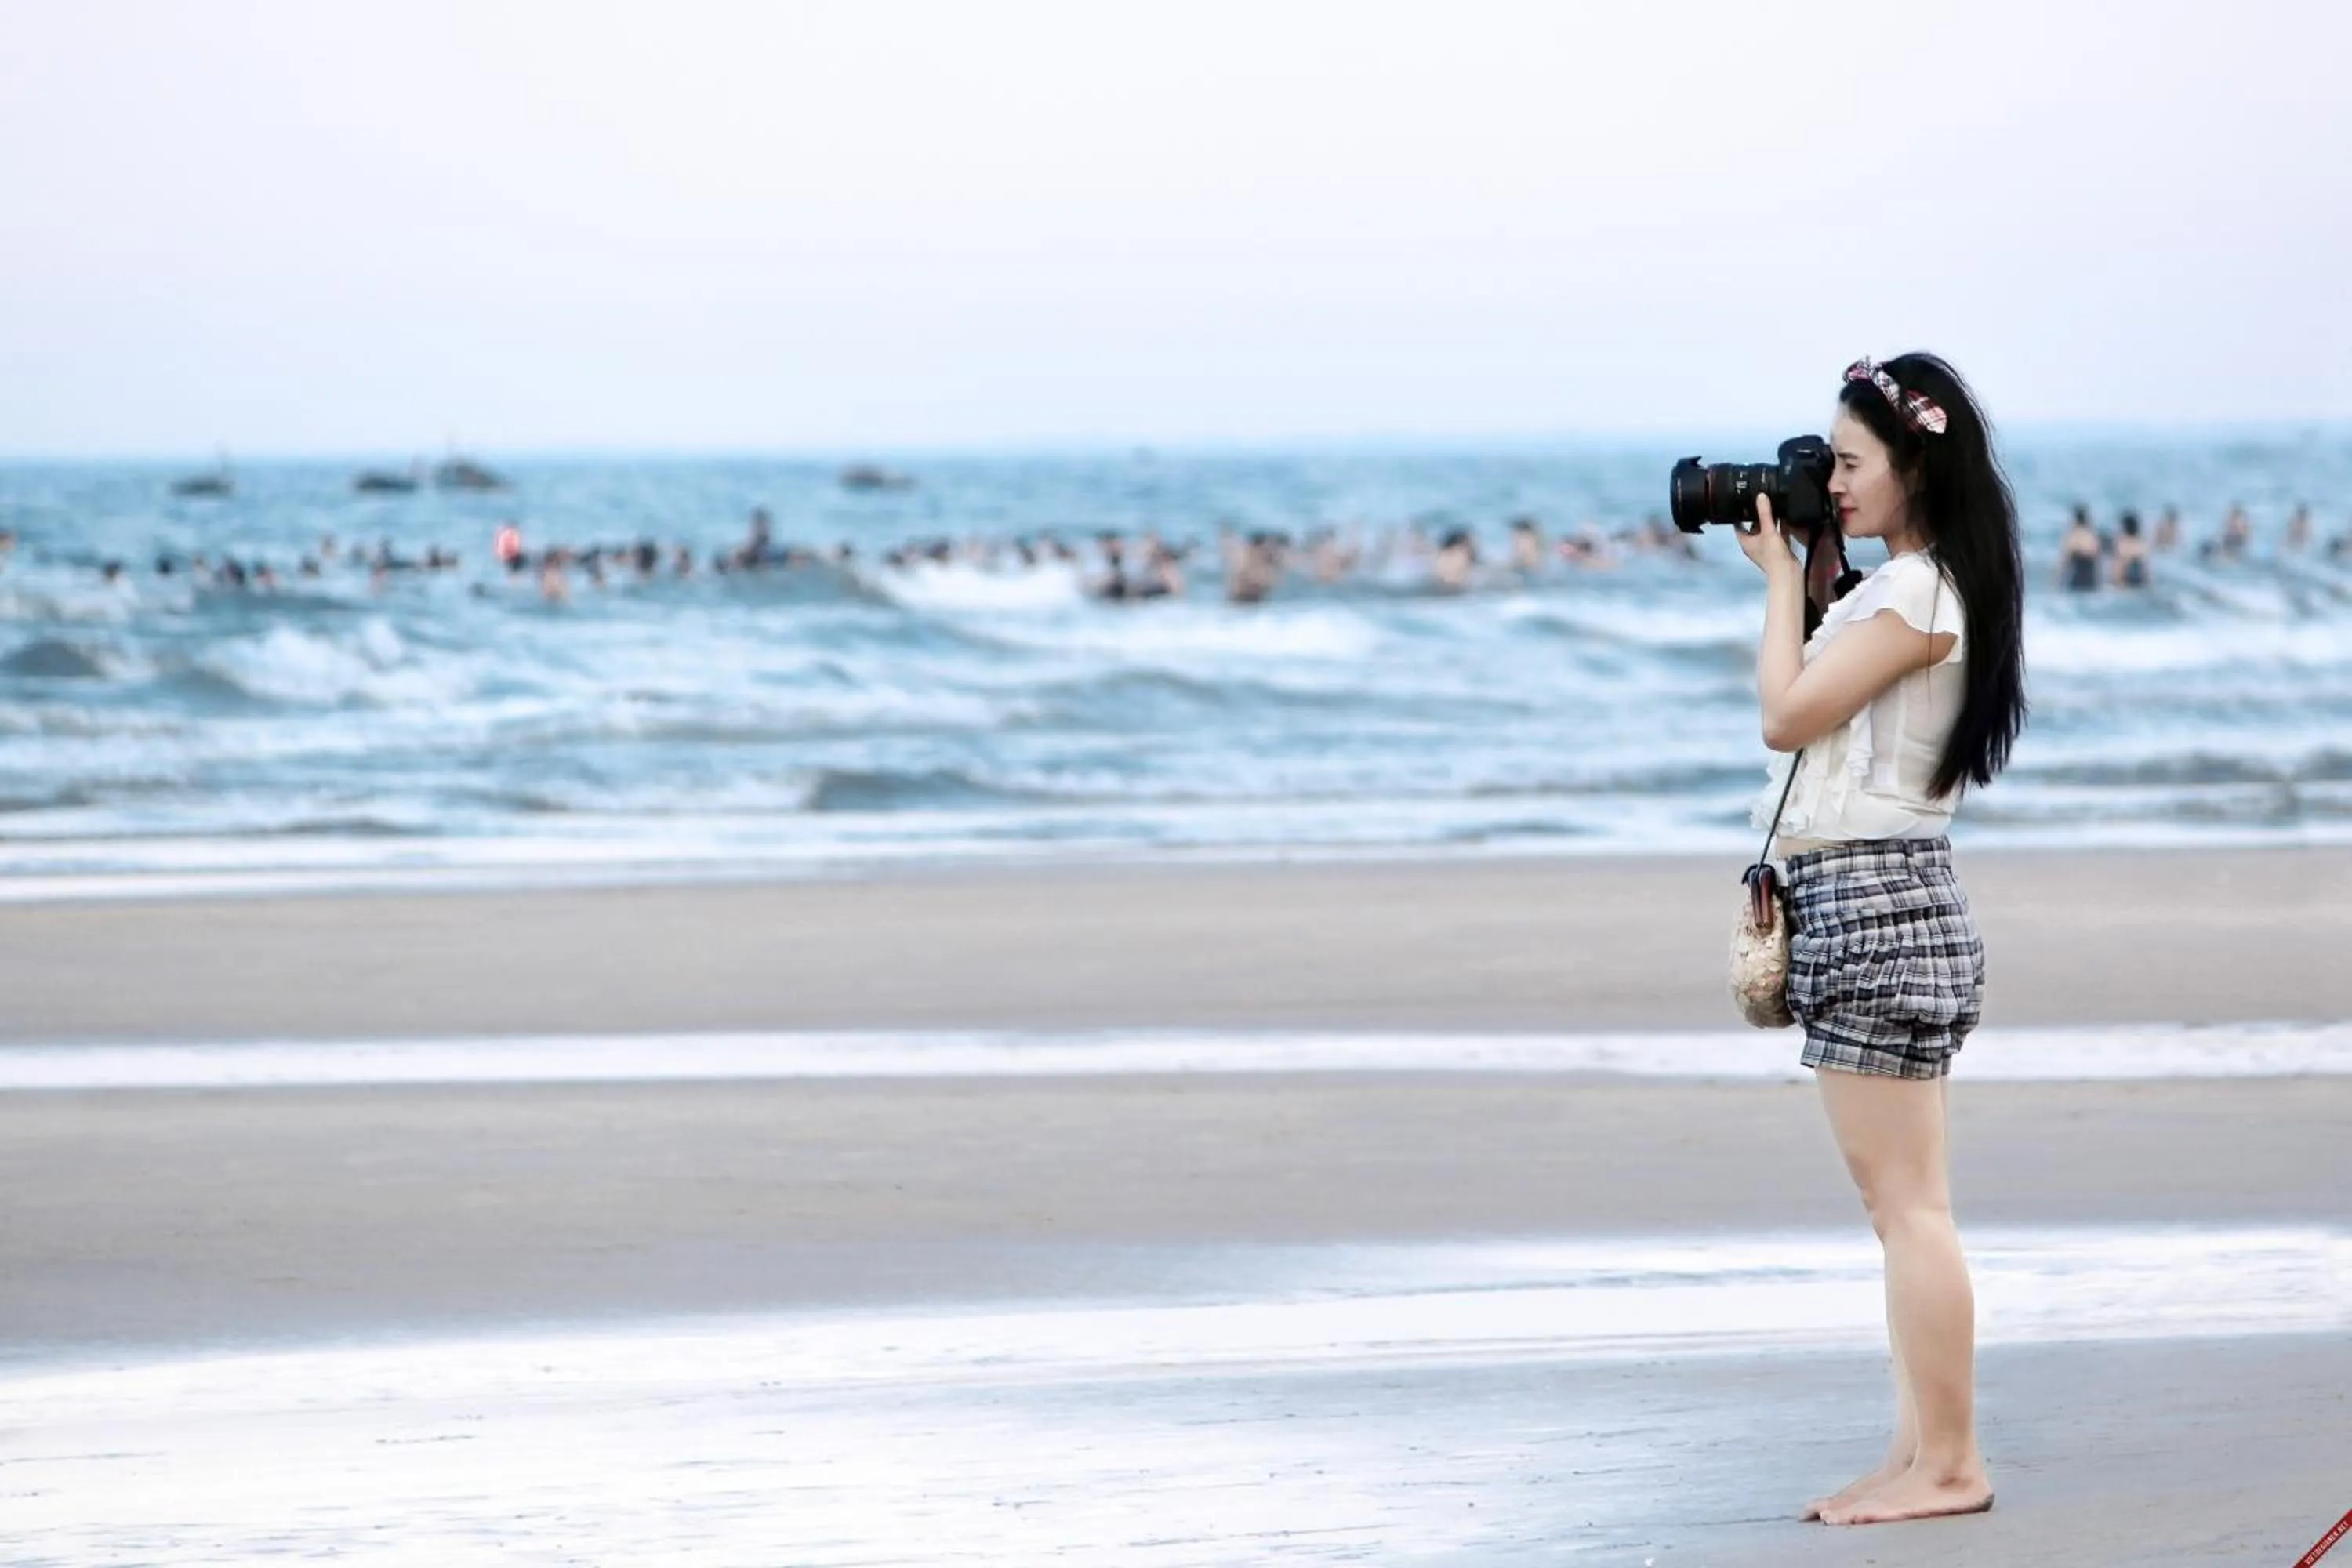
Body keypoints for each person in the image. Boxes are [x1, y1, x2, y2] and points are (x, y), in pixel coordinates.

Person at [1739, 352, 2026, 1528]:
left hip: (1879, 905)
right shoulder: (1906, 586)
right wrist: (1813, 577)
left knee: (1910, 1209)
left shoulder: (1915, 597)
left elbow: (1786, 715)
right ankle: (1918, 1456)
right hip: (1886, 900)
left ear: (1917, 464)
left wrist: (1772, 585)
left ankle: (1951, 1465)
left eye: (1853, 463)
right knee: (1902, 1208)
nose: (1833, 481)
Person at [2057, 503, 2102, 592]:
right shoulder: (2092, 537)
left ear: (2075, 520)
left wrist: (2056, 582)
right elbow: (2097, 562)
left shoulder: (2073, 537)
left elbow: (2064, 561)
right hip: (2091, 580)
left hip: (2076, 580)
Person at [2111, 510, 2151, 589]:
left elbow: (2118, 568)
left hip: (2126, 581)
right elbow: (2147, 571)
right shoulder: (2142, 544)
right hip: (2141, 581)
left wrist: (2116, 583)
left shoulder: (2122, 544)